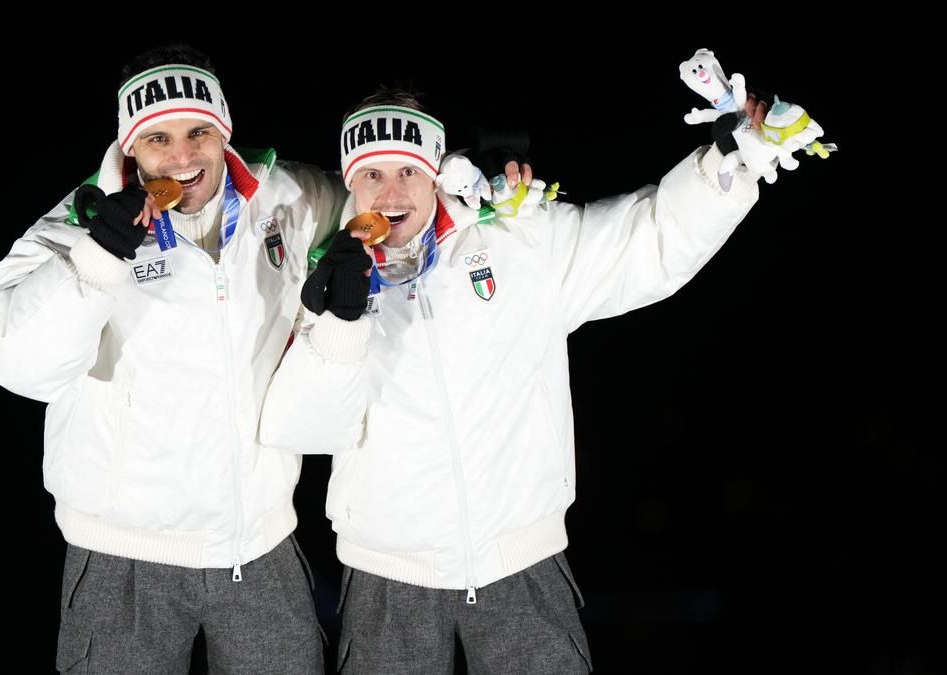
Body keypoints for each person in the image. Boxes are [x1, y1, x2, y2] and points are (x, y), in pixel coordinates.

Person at [259, 86, 766, 672]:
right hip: (386, 582)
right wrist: (339, 322)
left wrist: (725, 164)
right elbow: (303, 429)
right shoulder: (319, 275)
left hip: (522, 566)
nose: (391, 194)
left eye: (408, 171)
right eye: (372, 174)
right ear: (350, 182)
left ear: (437, 171)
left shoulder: (518, 236)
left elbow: (647, 240)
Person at [0, 43, 349, 673]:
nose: (182, 157)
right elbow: (13, 362)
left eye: (198, 132)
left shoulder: (287, 197)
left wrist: (460, 182)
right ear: (131, 148)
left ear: (224, 131)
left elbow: (382, 195)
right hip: (124, 553)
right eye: (158, 139)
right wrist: (96, 258)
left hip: (259, 542)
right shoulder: (78, 223)